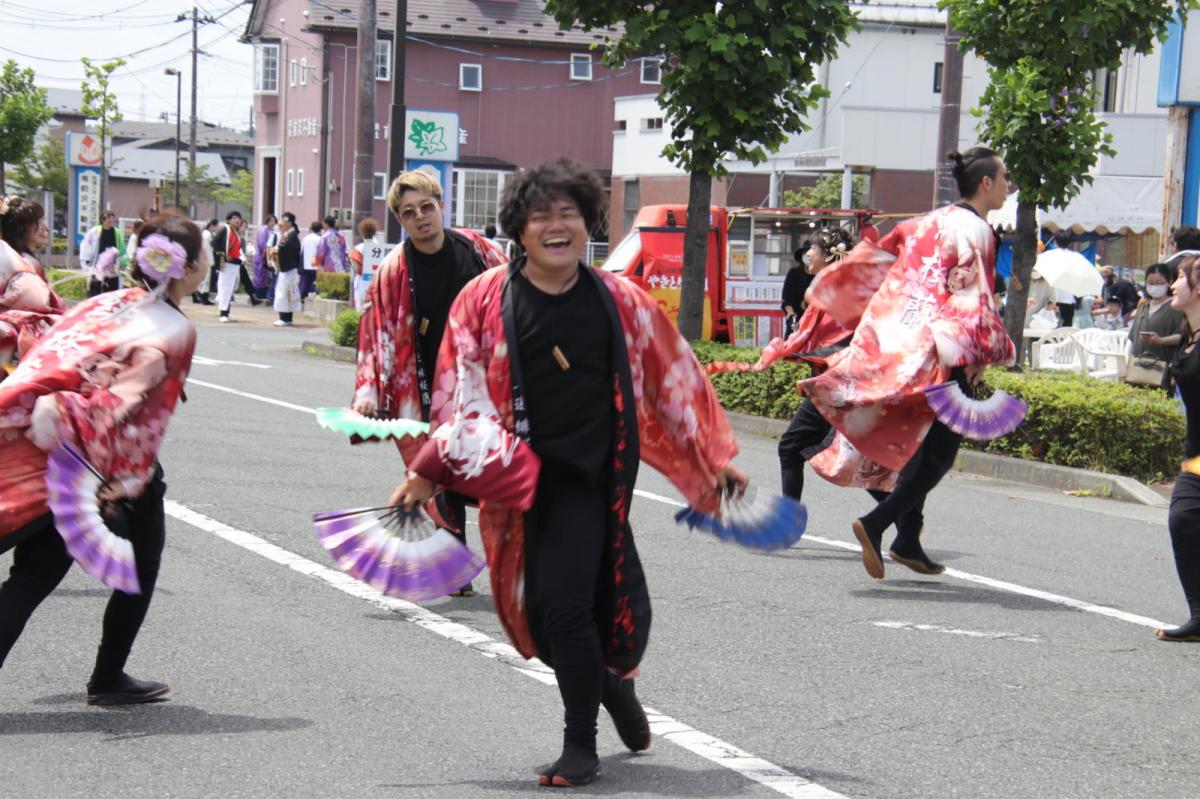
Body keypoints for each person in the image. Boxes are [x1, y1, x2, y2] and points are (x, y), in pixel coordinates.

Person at [388, 157, 749, 787]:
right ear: (519, 230)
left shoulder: (620, 300)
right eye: (540, 216)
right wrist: (427, 474)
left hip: (592, 481)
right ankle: (611, 687)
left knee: (566, 610)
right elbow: (460, 394)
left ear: (588, 224)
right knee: (534, 623)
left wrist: (712, 456)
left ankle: (580, 744)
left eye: (569, 214)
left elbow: (673, 377)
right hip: (516, 483)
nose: (556, 226)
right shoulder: (485, 299)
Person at [781, 147, 1016, 580]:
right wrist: (984, 354)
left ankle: (906, 539)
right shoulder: (978, 231)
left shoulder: (925, 221)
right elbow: (975, 300)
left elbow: (879, 258)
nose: (1008, 185)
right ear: (986, 183)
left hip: (898, 347)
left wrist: (843, 298)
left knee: (915, 449)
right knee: (937, 456)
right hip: (943, 355)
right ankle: (878, 526)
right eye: (1004, 177)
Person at [0, 210, 204, 703]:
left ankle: (110, 676)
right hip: (98, 462)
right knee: (140, 563)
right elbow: (141, 413)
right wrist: (128, 481)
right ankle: (108, 677)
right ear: (190, 265)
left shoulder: (106, 301)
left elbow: (50, 354)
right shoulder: (174, 328)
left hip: (47, 446)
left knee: (35, 574)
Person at [352, 171, 507, 597]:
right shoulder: (394, 270)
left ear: (441, 205)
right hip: (424, 385)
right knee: (439, 475)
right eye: (409, 212)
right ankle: (455, 568)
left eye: (426, 206)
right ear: (400, 220)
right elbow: (376, 333)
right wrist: (367, 391)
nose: (421, 217)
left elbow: (516, 292)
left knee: (495, 467)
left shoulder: (477, 249)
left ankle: (513, 566)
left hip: (483, 379)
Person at [1159, 254, 1200, 642]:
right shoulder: (1188, 335)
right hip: (1196, 456)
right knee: (1183, 520)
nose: (1172, 285)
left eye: (1179, 278)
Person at [1125, 263, 1185, 391]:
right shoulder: (1143, 307)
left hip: (1161, 370)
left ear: (1169, 282)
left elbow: (1184, 337)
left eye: (1159, 283)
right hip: (1138, 368)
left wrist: (1161, 340)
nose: (1154, 286)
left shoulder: (1176, 307)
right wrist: (1127, 361)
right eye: (1150, 283)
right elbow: (1132, 338)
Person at [212, 211, 258, 321]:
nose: (237, 220)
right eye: (234, 218)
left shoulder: (235, 232)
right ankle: (223, 314)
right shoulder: (225, 230)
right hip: (227, 263)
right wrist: (224, 254)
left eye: (238, 218)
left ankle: (226, 313)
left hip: (234, 263)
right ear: (229, 220)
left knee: (230, 289)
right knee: (225, 288)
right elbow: (214, 243)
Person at [1, 195, 52, 279]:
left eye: (43, 220)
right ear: (20, 228)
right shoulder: (24, 265)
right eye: (38, 222)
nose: (45, 227)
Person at [80, 211, 126, 297]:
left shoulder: (117, 232)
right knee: (95, 290)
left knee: (111, 292)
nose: (111, 220)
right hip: (97, 267)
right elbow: (86, 246)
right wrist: (87, 262)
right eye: (108, 218)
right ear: (102, 220)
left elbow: (122, 249)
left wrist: (122, 261)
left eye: (112, 218)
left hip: (112, 268)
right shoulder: (94, 231)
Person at [271, 212, 302, 326]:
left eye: (283, 222)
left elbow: (282, 248)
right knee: (289, 293)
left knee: (284, 293)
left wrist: (275, 249)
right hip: (290, 268)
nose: (281, 225)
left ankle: (284, 318)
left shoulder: (290, 235)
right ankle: (287, 318)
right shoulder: (289, 234)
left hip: (288, 268)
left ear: (290, 223)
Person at [781, 243, 813, 337]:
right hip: (797, 317)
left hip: (814, 318)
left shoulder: (820, 275)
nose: (808, 257)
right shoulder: (794, 273)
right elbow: (786, 298)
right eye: (805, 254)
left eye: (810, 254)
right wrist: (791, 314)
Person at [346, 217, 379, 311]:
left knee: (361, 310)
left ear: (362, 233)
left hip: (363, 282)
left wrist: (349, 259)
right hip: (376, 281)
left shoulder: (359, 248)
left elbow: (358, 269)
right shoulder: (380, 246)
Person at [1050, 231, 1078, 327]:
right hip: (1069, 298)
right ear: (1069, 243)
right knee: (1066, 330)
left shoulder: (1050, 256)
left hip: (1053, 297)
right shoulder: (1075, 257)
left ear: (1055, 242)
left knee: (1050, 328)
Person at [253, 213, 278, 302]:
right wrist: (268, 250)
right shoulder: (263, 230)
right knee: (260, 276)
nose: (273, 223)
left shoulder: (271, 232)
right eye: (271, 220)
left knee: (266, 276)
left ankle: (263, 293)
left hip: (268, 256)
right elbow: (261, 244)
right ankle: (258, 294)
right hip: (261, 256)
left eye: (274, 221)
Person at [300, 221, 323, 301]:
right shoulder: (320, 239)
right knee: (315, 283)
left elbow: (301, 251)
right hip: (316, 265)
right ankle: (312, 298)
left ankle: (303, 297)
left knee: (306, 283)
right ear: (320, 229)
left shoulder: (305, 238)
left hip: (306, 264)